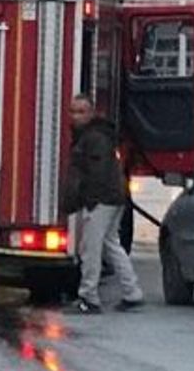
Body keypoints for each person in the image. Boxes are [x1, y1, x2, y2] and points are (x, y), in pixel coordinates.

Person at [62, 94, 144, 314]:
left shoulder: (92, 138)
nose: (76, 116)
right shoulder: (99, 135)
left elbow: (95, 173)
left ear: (91, 113)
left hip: (101, 200)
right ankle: (132, 292)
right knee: (111, 244)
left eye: (81, 111)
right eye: (73, 111)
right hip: (113, 198)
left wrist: (87, 200)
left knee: (91, 248)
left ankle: (89, 298)